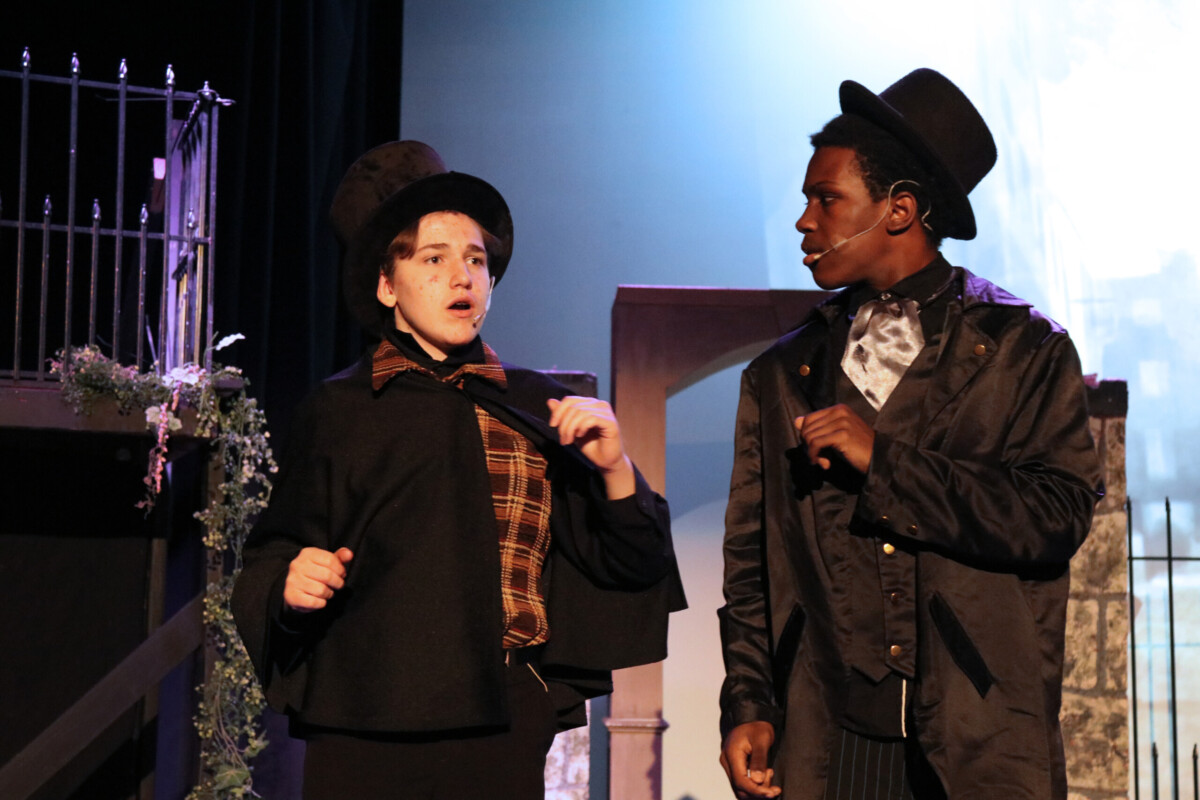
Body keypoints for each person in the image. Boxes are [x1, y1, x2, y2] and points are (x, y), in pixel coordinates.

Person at [232, 140, 685, 799]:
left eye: (477, 261)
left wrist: (616, 471)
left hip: (500, 721)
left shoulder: (535, 409)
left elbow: (630, 566)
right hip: (362, 721)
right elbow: (273, 555)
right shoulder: (341, 411)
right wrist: (289, 586)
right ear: (387, 285)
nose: (462, 277)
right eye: (434, 259)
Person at [717, 69, 1103, 800]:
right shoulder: (782, 372)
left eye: (825, 199)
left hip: (972, 737)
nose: (803, 220)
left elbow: (1056, 515)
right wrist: (748, 704)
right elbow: (749, 566)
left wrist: (885, 465)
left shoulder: (1024, 350)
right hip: (830, 738)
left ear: (899, 210)